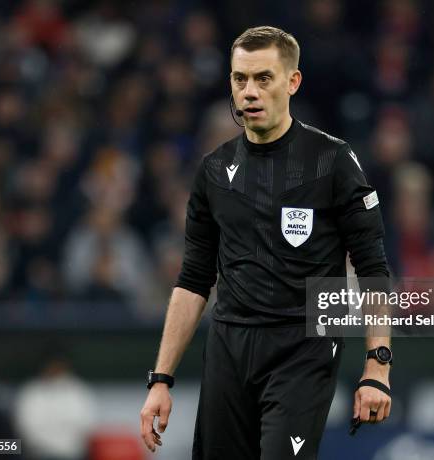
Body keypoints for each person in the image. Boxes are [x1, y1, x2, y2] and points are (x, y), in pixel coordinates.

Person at [140, 26, 392, 459]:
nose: (250, 92)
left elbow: (372, 267)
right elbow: (194, 281)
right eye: (240, 79)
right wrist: (160, 379)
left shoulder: (331, 161)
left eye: (263, 78)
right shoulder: (214, 171)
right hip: (229, 348)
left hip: (304, 346)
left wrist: (377, 365)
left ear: (292, 82)